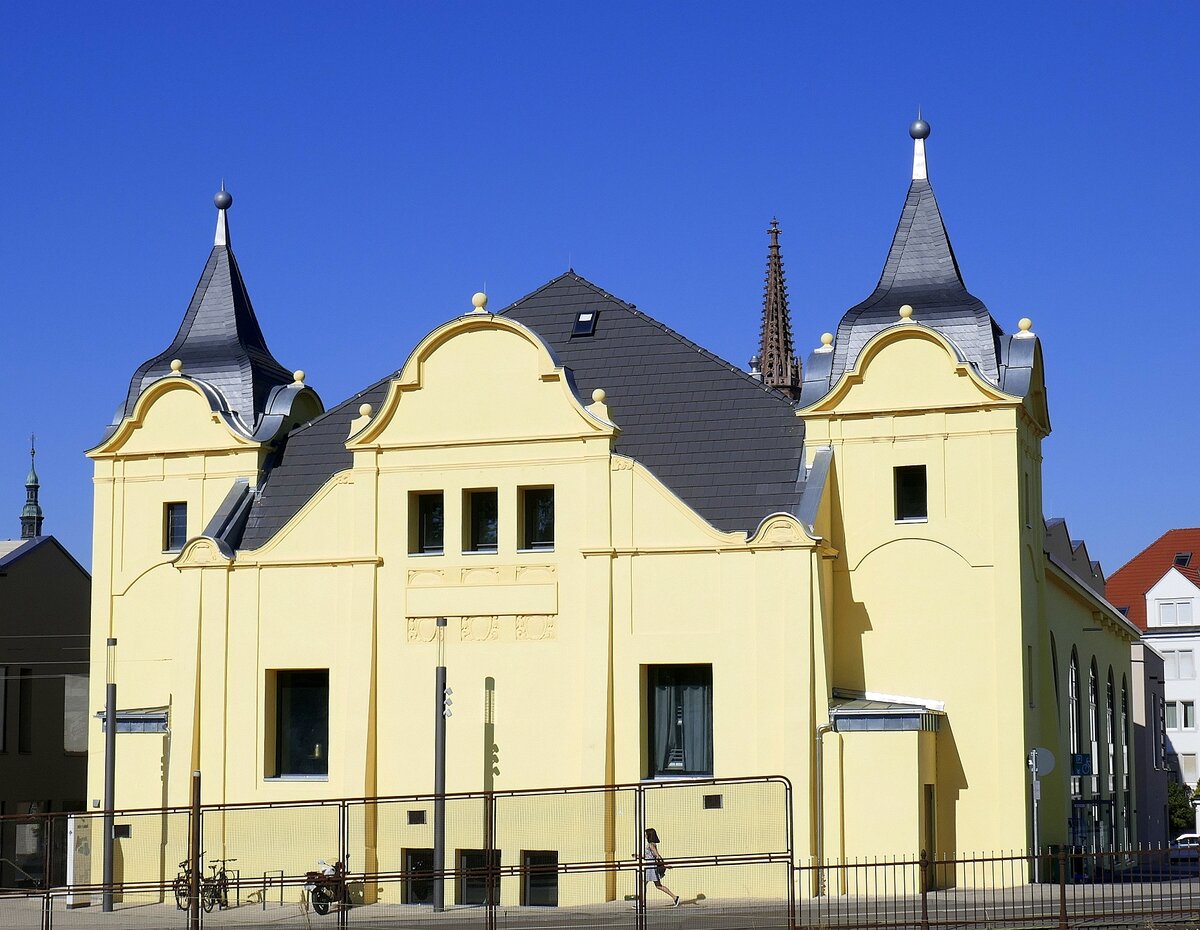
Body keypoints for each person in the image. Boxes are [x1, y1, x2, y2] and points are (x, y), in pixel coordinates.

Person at [640, 827, 680, 907]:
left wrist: (664, 865)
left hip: (650, 867)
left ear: (649, 835)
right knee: (658, 885)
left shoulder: (651, 845)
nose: (645, 835)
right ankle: (675, 898)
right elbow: (650, 855)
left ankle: (641, 903)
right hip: (650, 865)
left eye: (646, 834)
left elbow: (657, 855)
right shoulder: (651, 844)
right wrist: (639, 856)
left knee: (643, 884)